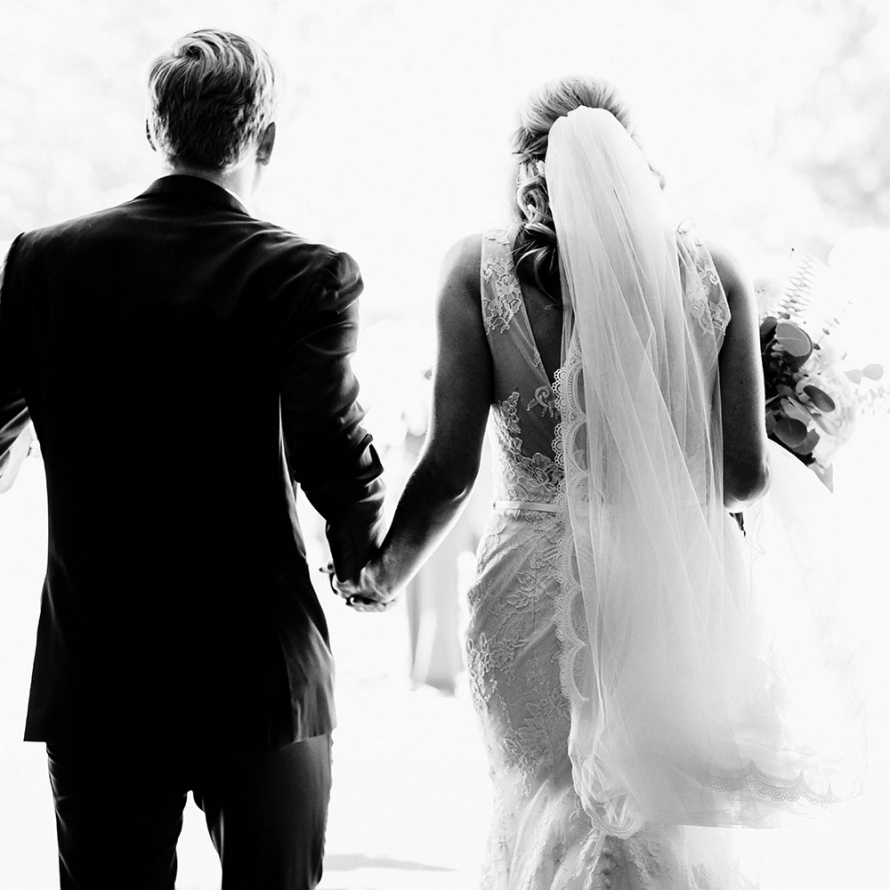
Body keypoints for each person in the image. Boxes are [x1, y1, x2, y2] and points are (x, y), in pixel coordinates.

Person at [336, 77, 862, 888]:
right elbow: (743, 480)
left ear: (526, 171)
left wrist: (382, 571)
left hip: (529, 591)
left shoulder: (477, 271)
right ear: (632, 160)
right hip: (665, 586)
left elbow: (448, 471)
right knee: (658, 814)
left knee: (544, 800)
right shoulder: (714, 270)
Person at [0, 29, 383, 890]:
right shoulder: (305, 276)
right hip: (257, 671)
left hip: (99, 671)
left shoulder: (42, 263)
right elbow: (334, 455)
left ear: (152, 131)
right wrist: (365, 560)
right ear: (266, 138)